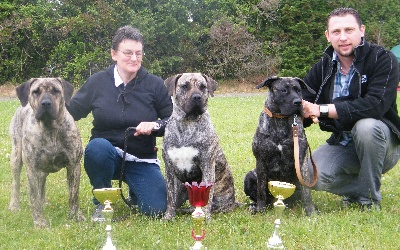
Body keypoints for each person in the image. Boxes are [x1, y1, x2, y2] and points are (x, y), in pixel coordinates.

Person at [67, 26, 173, 220]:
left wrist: (155, 126)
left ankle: (135, 190)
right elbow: (71, 112)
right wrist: (46, 103)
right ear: (114, 54)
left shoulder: (155, 84)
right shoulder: (97, 82)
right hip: (106, 156)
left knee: (156, 210)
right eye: (128, 53)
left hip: (142, 159)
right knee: (96, 148)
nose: (134, 58)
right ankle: (102, 203)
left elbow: (173, 120)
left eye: (138, 53)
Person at [302, 8, 400, 210]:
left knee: (366, 126)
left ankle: (369, 200)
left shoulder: (384, 59)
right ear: (328, 36)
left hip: (382, 144)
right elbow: (304, 105)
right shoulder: (321, 68)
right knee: (310, 175)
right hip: (343, 143)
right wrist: (298, 110)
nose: (343, 37)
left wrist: (321, 110)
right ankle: (361, 188)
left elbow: (375, 105)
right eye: (336, 32)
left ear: (361, 31)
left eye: (349, 30)